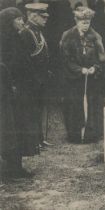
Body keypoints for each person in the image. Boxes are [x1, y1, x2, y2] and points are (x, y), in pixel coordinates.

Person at [60, 6, 105, 143]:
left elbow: (102, 58)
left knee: (93, 104)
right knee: (74, 105)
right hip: (74, 78)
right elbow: (66, 59)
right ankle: (74, 135)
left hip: (92, 79)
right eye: (82, 22)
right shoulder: (67, 36)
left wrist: (95, 68)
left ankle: (91, 135)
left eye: (88, 22)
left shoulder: (96, 36)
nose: (86, 26)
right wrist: (79, 69)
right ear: (76, 21)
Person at [15, 3, 53, 153]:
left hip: (40, 78)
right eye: (42, 17)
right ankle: (33, 141)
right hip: (31, 80)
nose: (46, 19)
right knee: (31, 110)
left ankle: (39, 139)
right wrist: (36, 76)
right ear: (32, 15)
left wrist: (46, 72)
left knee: (38, 108)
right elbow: (25, 60)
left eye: (45, 16)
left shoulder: (38, 32)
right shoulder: (26, 33)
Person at [0, 8, 33, 179]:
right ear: (9, 22)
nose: (22, 22)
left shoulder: (18, 38)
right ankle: (7, 168)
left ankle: (17, 167)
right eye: (18, 19)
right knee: (8, 131)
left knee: (20, 128)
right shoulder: (3, 40)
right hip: (7, 94)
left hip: (20, 91)